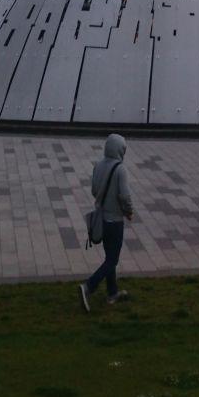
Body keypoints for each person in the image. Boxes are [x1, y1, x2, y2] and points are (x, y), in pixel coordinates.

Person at [79, 133, 133, 312]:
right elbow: (124, 196)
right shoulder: (120, 169)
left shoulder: (98, 165)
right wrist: (129, 212)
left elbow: (95, 191)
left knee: (110, 257)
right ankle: (88, 286)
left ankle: (112, 293)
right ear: (119, 150)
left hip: (102, 220)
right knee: (112, 260)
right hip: (115, 222)